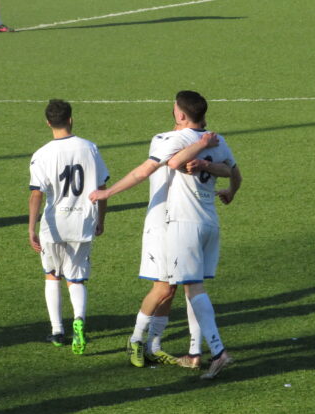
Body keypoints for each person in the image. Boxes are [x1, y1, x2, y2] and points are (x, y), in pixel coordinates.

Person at [93, 91, 242, 379]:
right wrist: (229, 191)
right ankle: (174, 349)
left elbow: (150, 169)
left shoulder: (167, 140)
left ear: (181, 114)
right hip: (206, 223)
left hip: (177, 224)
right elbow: (235, 174)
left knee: (176, 287)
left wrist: (107, 193)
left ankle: (196, 349)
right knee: (177, 287)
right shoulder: (217, 140)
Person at [28, 99, 109, 355]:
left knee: (52, 274)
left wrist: (31, 227)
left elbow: (36, 195)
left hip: (53, 224)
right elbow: (102, 188)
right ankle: (79, 320)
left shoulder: (41, 154)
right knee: (76, 278)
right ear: (71, 119)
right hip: (82, 222)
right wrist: (101, 219)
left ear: (48, 122)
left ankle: (56, 330)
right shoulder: (90, 148)